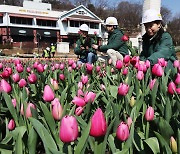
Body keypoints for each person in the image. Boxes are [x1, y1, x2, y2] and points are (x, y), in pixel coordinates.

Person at [140, 9, 177, 74]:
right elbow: (144, 53)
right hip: (152, 69)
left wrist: (148, 61)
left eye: (151, 26)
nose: (148, 29)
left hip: (167, 71)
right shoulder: (146, 39)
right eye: (146, 26)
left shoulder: (165, 37)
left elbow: (163, 53)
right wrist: (141, 60)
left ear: (159, 24)